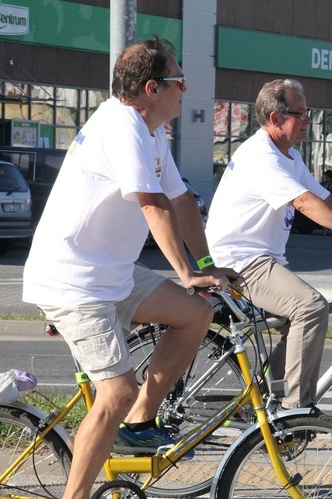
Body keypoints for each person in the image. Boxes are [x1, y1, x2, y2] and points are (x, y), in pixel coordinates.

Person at [22, 37, 236, 499]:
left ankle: (139, 422)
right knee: (115, 392)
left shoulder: (153, 131)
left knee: (197, 312)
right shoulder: (122, 127)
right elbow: (153, 204)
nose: (186, 88)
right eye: (180, 80)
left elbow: (180, 202)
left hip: (110, 273)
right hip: (74, 280)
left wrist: (206, 266)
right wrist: (186, 272)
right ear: (153, 87)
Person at [206, 79, 332, 410]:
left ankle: (269, 399)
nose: (307, 120)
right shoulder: (262, 156)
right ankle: (294, 412)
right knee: (310, 307)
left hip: (261, 258)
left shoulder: (288, 154)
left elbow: (322, 196)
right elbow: (304, 203)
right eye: (299, 113)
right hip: (241, 262)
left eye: (308, 112)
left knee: (297, 321)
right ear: (275, 118)